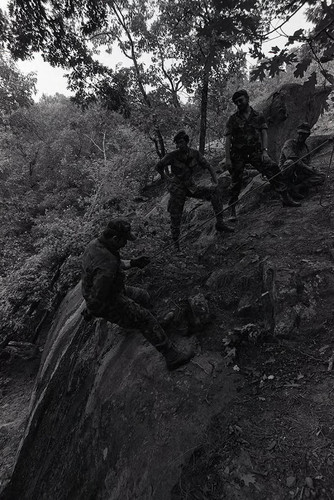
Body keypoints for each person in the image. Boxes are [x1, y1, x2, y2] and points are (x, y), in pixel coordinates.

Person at [81, 218, 194, 371]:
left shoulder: (96, 244)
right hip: (107, 301)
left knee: (143, 295)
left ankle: (158, 324)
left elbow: (115, 262)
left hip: (112, 290)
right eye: (124, 240)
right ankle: (172, 356)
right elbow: (97, 297)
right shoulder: (107, 267)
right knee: (144, 318)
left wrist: (134, 263)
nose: (125, 243)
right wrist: (90, 311)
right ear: (115, 238)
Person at [224, 89, 300, 218]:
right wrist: (227, 159)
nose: (239, 104)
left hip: (256, 152)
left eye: (240, 100)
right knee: (235, 181)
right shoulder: (233, 119)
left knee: (273, 168)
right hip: (238, 154)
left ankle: (285, 197)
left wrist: (264, 152)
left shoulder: (258, 116)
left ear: (247, 99)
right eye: (236, 102)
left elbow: (264, 134)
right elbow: (228, 139)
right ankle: (232, 210)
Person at [155, 130, 234, 250]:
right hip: (177, 188)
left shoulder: (195, 154)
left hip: (191, 186)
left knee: (214, 192)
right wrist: (167, 178)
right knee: (176, 216)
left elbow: (208, 166)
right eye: (177, 143)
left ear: (186, 142)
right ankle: (176, 244)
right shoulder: (172, 155)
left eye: (181, 142)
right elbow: (158, 166)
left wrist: (215, 182)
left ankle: (220, 223)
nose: (179, 145)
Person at [279, 122, 325, 200]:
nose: (301, 136)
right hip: (286, 173)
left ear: (307, 135)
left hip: (298, 174)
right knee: (290, 163)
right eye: (299, 133)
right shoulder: (289, 143)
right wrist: (307, 168)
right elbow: (293, 159)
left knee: (321, 175)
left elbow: (306, 162)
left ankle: (297, 188)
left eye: (304, 134)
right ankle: (286, 189)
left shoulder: (305, 148)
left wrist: (311, 169)